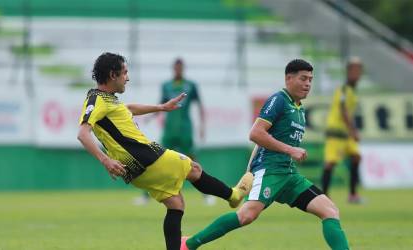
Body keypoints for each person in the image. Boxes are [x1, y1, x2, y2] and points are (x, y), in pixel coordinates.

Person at [77, 52, 253, 250]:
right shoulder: (96, 99)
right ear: (112, 75)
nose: (128, 77)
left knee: (176, 204)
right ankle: (233, 196)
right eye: (124, 73)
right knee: (193, 168)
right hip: (144, 156)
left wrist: (161, 107)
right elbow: (83, 133)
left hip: (134, 168)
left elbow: (129, 108)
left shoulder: (109, 99)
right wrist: (105, 160)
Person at [181, 59, 350, 250]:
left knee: (330, 210)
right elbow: (255, 133)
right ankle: (189, 244)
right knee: (246, 216)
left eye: (311, 79)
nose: (308, 83)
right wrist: (290, 150)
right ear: (288, 78)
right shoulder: (279, 100)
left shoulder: (299, 108)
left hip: (289, 175)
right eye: (303, 78)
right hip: (269, 170)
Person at [135, 58, 214, 206]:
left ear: (183, 68)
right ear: (173, 69)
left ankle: (207, 194)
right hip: (169, 129)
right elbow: (161, 105)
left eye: (180, 68)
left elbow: (200, 106)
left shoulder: (191, 86)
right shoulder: (166, 86)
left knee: (192, 162)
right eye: (176, 68)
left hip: (185, 129)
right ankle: (146, 196)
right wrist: (150, 117)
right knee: (156, 159)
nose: (178, 70)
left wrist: (202, 127)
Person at [321, 57, 363, 203]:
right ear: (349, 71)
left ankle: (353, 195)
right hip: (336, 132)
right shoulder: (344, 89)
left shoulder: (351, 90)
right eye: (355, 70)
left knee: (356, 156)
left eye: (359, 70)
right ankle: (324, 196)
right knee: (330, 163)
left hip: (345, 133)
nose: (357, 74)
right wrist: (354, 130)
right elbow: (344, 110)